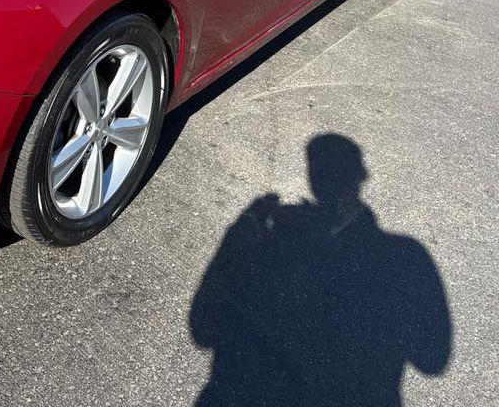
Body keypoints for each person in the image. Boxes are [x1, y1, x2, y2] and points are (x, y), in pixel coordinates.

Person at [190, 134, 451, 407]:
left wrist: (240, 231)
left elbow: (204, 327)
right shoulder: (407, 255)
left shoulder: (282, 236)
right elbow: (432, 360)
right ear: (361, 176)